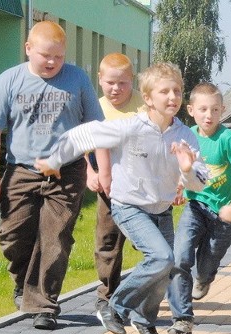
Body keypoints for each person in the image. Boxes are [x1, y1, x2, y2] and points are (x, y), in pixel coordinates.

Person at [35, 62, 208, 334]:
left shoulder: (186, 136)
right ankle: (113, 306)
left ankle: (144, 320)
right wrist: (54, 160)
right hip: (128, 205)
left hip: (161, 208)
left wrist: (187, 169)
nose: (172, 97)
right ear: (149, 98)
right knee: (162, 257)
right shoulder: (129, 128)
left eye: (177, 90)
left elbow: (200, 182)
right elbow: (84, 134)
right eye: (164, 91)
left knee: (166, 266)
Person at [0, 21, 104, 330]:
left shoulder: (76, 79)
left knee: (56, 238)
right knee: (11, 236)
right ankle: (25, 283)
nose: (52, 62)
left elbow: (95, 129)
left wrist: (99, 169)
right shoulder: (8, 82)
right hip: (21, 169)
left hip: (67, 171)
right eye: (45, 55)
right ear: (28, 49)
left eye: (59, 57)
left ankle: (44, 305)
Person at [166, 82, 231, 334]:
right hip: (196, 205)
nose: (209, 115)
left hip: (224, 214)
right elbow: (181, 167)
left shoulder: (228, 139)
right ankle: (182, 318)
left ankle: (205, 277)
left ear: (222, 110)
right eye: (203, 109)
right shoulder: (187, 136)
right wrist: (177, 189)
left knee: (206, 264)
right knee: (180, 257)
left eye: (215, 109)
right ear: (191, 110)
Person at [91, 53, 145, 317]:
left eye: (122, 83)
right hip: (108, 188)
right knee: (107, 242)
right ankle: (107, 294)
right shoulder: (94, 108)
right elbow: (82, 145)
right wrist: (90, 172)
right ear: (100, 79)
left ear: (132, 80)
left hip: (143, 189)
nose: (116, 89)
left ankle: (146, 292)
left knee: (147, 242)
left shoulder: (144, 104)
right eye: (110, 82)